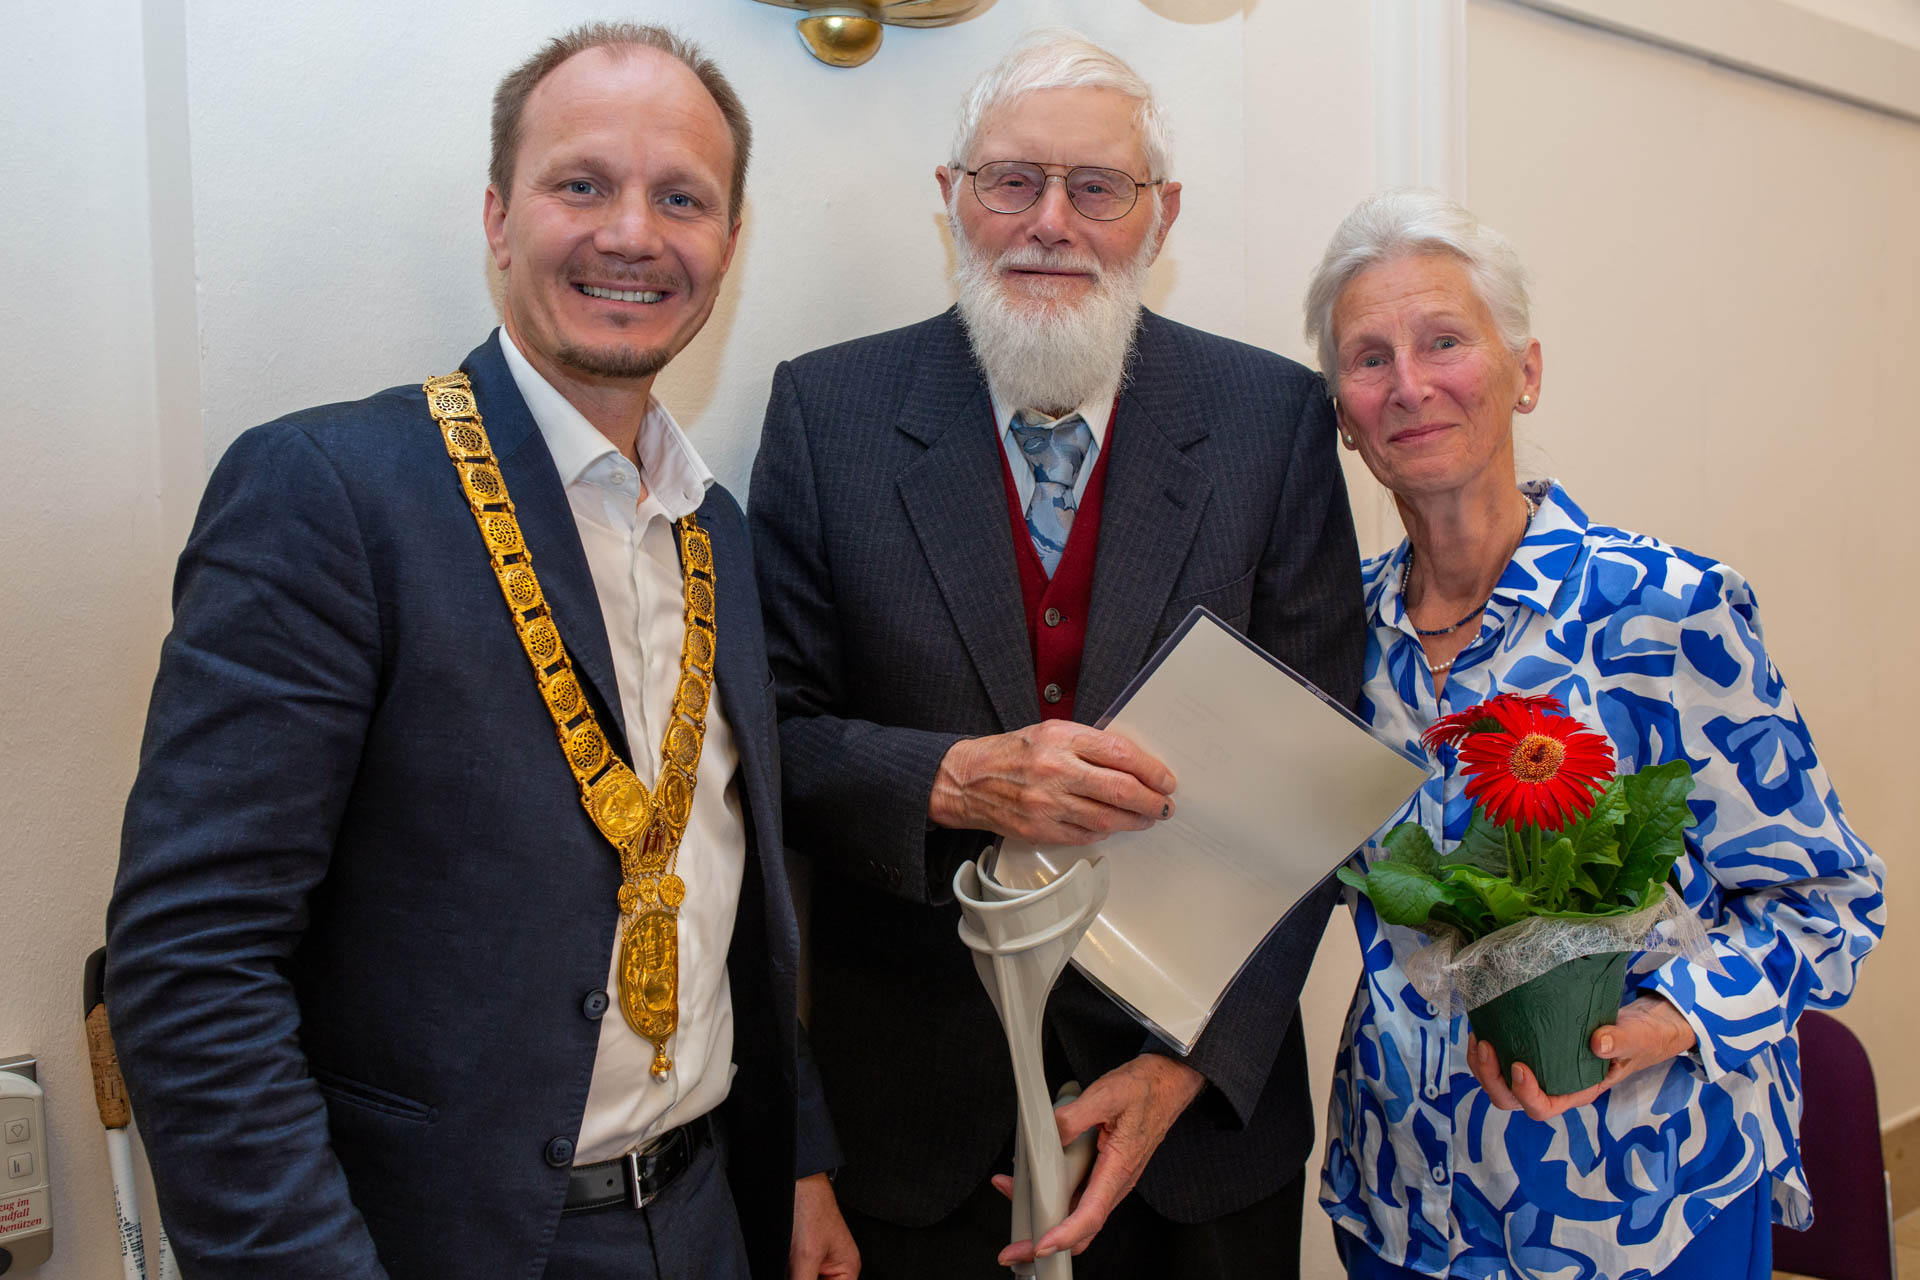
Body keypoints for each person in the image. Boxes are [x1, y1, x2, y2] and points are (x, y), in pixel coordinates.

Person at [106, 23, 858, 1280]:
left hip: (711, 1208)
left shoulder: (713, 525)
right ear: (499, 216)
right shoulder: (331, 493)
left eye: (683, 197)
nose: (633, 232)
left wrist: (799, 1155)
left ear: (728, 241)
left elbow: (724, 881)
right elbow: (193, 960)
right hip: (444, 1240)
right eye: (583, 184)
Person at [748, 30, 1364, 1280]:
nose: (1051, 222)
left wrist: (1192, 1061)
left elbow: (1322, 779)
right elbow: (768, 739)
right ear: (953, 198)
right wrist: (952, 779)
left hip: (1201, 1126)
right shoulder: (829, 414)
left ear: (1158, 215)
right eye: (1011, 181)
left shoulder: (1270, 420)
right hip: (916, 1135)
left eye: (1098, 187)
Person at [1305, 188, 1885, 1280]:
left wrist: (1664, 1020)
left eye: (1443, 341)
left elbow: (1829, 901)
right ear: (1342, 408)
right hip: (1399, 1207)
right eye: (1369, 358)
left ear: (1525, 369)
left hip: (1638, 1211)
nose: (1410, 384)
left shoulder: (1666, 611)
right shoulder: (1335, 633)